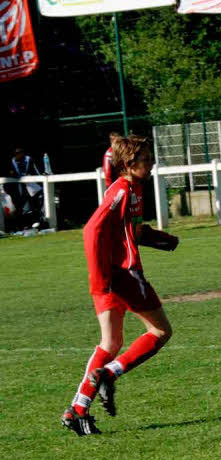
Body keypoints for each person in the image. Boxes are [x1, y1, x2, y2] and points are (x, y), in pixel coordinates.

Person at [61, 134, 180, 436]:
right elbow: (92, 230)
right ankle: (110, 374)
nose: (152, 164)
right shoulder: (122, 189)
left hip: (113, 275)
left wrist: (156, 238)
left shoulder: (133, 187)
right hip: (121, 275)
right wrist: (103, 277)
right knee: (161, 331)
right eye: (146, 159)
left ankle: (77, 409)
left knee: (110, 343)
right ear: (130, 163)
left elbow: (129, 231)